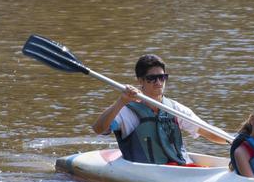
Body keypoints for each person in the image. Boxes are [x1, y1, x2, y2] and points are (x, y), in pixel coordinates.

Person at [90, 53, 225, 165]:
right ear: (140, 81)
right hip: (149, 172)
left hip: (180, 168)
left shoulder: (176, 109)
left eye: (162, 77)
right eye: (152, 78)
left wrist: (234, 140)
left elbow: (208, 132)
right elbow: (98, 129)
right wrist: (120, 101)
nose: (159, 82)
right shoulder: (127, 112)